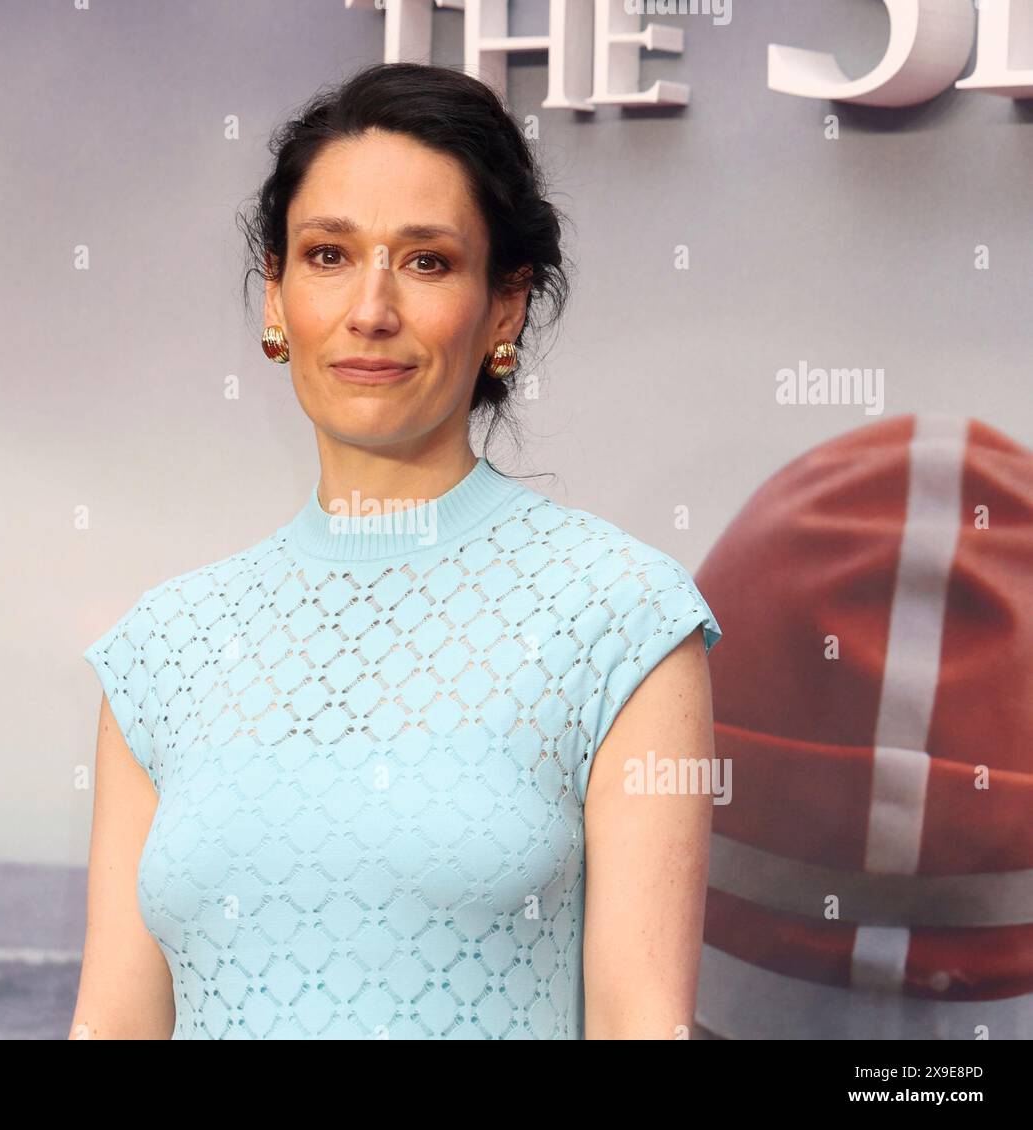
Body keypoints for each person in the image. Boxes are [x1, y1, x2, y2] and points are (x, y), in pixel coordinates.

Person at [69, 62, 722, 1040]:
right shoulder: (163, 648)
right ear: (276, 297)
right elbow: (112, 1024)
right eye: (328, 255)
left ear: (505, 305)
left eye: (426, 262)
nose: (370, 309)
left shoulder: (621, 617)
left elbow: (641, 1021)